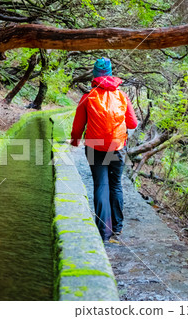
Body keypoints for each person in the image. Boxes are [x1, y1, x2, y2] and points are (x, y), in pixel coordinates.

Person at [70, 57, 138, 242]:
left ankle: (103, 232)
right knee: (115, 185)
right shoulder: (122, 96)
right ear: (110, 74)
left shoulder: (87, 97)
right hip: (117, 147)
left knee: (101, 185)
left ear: (94, 75)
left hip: (95, 148)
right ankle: (117, 228)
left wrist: (75, 140)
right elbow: (133, 123)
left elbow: (78, 126)